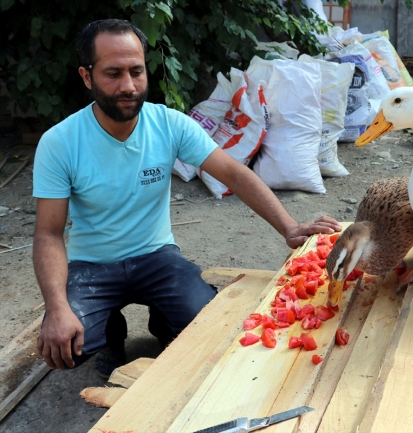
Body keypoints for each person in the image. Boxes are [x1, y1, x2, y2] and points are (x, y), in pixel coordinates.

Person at [32, 19, 341, 378]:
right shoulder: (60, 142)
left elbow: (235, 174)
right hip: (92, 266)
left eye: (136, 71)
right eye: (112, 73)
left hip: (157, 258)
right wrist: (56, 308)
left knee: (205, 325)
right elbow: (48, 234)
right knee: (66, 349)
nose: (128, 86)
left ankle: (165, 320)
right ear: (87, 77)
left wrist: (290, 227)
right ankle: (109, 333)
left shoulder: (168, 124)